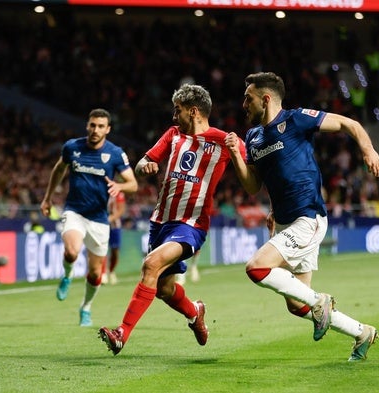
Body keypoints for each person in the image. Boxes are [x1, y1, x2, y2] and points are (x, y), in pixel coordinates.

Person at [224, 71, 379, 361]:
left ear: (266, 98)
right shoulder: (254, 137)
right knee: (297, 306)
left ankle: (321, 301)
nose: (243, 104)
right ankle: (361, 332)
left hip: (307, 218)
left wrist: (368, 149)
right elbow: (252, 185)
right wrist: (236, 154)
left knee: (256, 268)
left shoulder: (296, 119)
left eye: (248, 98)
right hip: (285, 222)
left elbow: (350, 123)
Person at [98, 84, 246, 355]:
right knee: (164, 289)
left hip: (191, 224)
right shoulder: (173, 135)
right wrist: (146, 167)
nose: (173, 116)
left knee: (151, 265)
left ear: (193, 111)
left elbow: (252, 174)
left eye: (177, 110)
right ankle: (195, 313)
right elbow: (143, 163)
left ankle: (122, 334)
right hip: (160, 222)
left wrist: (237, 152)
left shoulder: (223, 141)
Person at [40, 108, 138, 327]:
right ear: (87, 125)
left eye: (101, 126)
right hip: (74, 211)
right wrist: (47, 198)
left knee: (95, 274)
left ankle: (85, 308)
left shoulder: (115, 153)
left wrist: (119, 186)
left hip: (99, 219)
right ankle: (67, 276)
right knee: (71, 251)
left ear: (108, 129)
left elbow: (133, 184)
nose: (96, 130)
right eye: (93, 125)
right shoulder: (72, 147)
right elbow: (59, 169)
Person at [101, 190, 126, 285]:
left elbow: (121, 210)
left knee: (115, 252)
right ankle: (103, 274)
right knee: (102, 249)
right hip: (102, 225)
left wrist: (109, 219)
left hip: (115, 226)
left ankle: (111, 271)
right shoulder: (101, 191)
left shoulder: (118, 193)